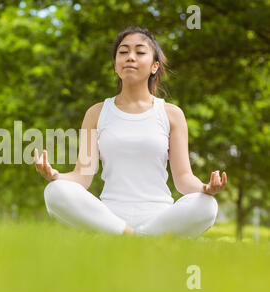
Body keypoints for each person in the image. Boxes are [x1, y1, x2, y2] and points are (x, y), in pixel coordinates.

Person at [34, 26, 227, 238]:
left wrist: (205, 188)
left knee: (207, 205)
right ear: (116, 65)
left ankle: (138, 237)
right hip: (109, 215)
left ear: (154, 66)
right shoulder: (96, 113)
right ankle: (131, 236)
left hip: (160, 216)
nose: (130, 57)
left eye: (140, 52)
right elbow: (83, 175)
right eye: (123, 52)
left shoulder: (171, 114)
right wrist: (56, 176)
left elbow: (183, 178)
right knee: (54, 191)